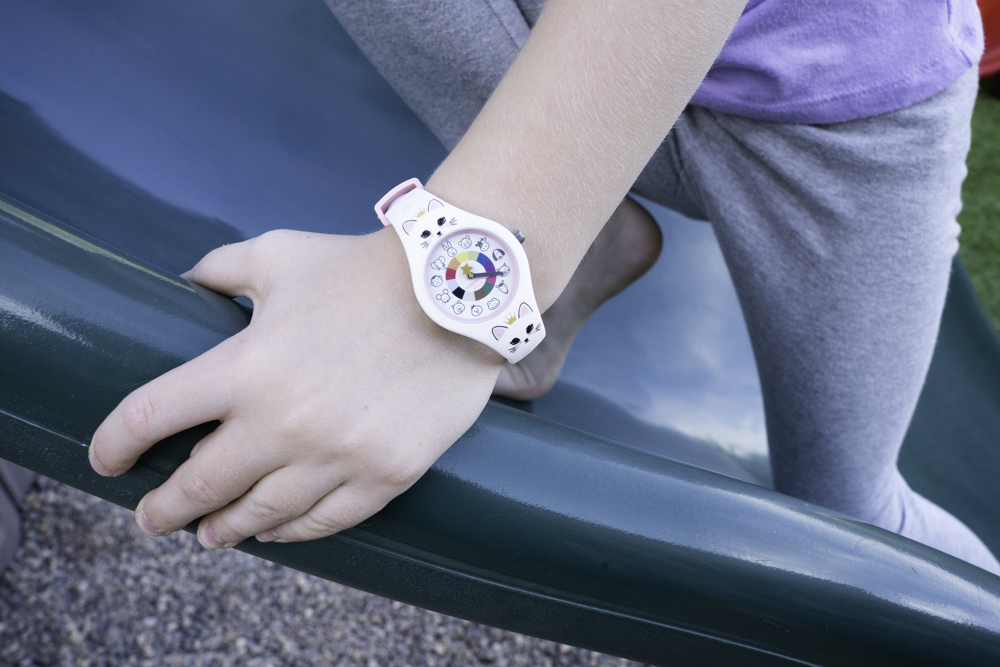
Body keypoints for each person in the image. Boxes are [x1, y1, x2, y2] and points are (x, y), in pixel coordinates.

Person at [89, 0, 1000, 574]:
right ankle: (590, 233)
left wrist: (434, 300)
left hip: (843, 114)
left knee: (851, 519)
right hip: (562, 33)